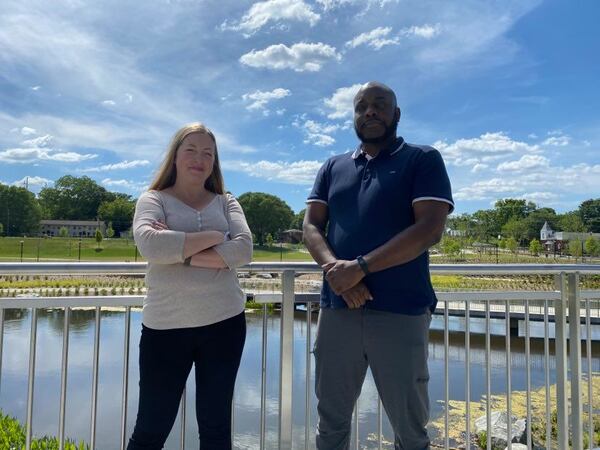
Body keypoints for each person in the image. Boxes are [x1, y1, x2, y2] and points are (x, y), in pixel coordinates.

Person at [303, 82, 454, 450]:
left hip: (400, 311)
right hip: (338, 309)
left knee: (410, 428)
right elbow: (311, 226)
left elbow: (429, 229)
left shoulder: (422, 159)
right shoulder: (333, 166)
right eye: (362, 106)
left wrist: (360, 268)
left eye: (380, 105)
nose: (370, 111)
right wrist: (337, 274)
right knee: (331, 423)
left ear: (396, 114)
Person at [128, 122, 252, 450]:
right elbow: (152, 246)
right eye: (191, 150)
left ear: (215, 162)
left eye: (208, 153)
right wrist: (214, 238)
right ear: (176, 156)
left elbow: (243, 249)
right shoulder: (152, 199)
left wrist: (180, 251)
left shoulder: (226, 202)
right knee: (151, 429)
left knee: (215, 429)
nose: (199, 159)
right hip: (165, 328)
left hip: (224, 324)